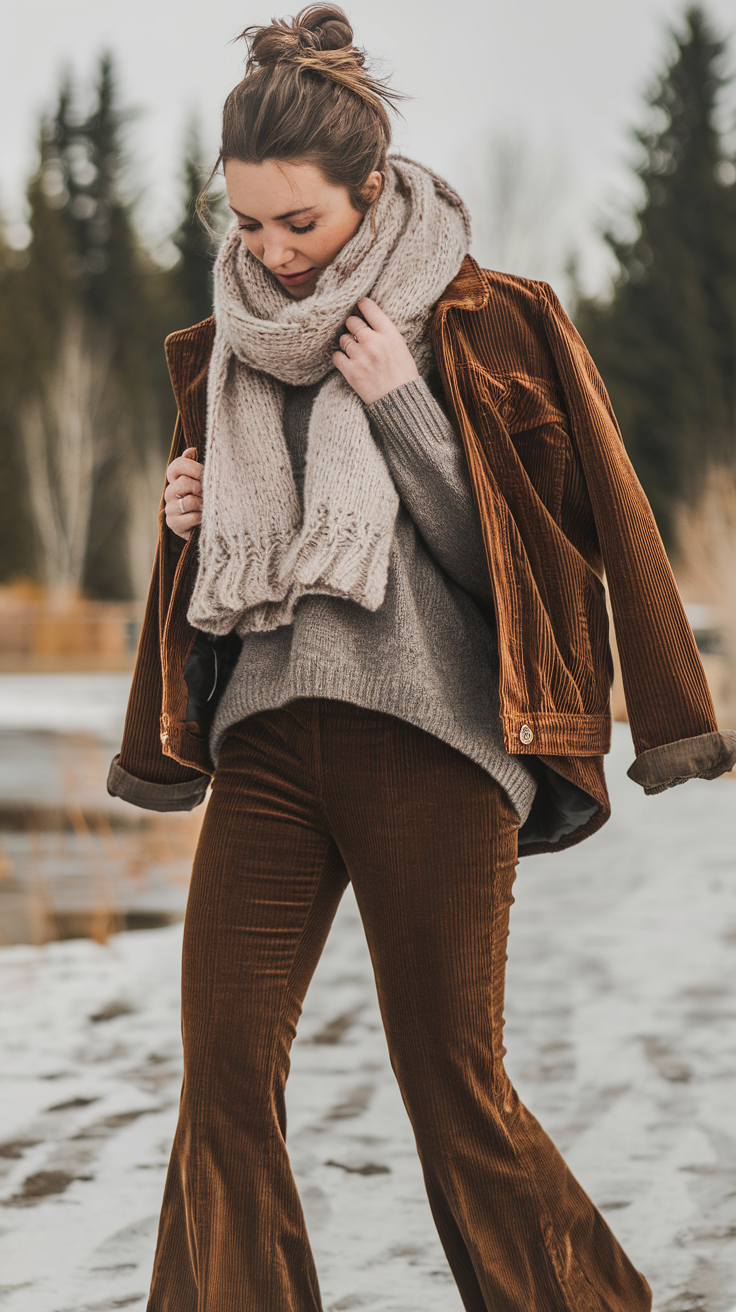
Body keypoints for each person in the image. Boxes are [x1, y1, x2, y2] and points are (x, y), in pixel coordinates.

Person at [108, 6, 736, 1309]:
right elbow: (230, 596)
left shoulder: (487, 322)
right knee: (221, 1075)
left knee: (454, 1088)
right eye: (249, 223)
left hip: (437, 749)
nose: (273, 254)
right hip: (269, 745)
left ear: (372, 188)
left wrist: (399, 402)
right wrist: (192, 517)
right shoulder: (231, 347)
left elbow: (523, 562)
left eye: (302, 223)